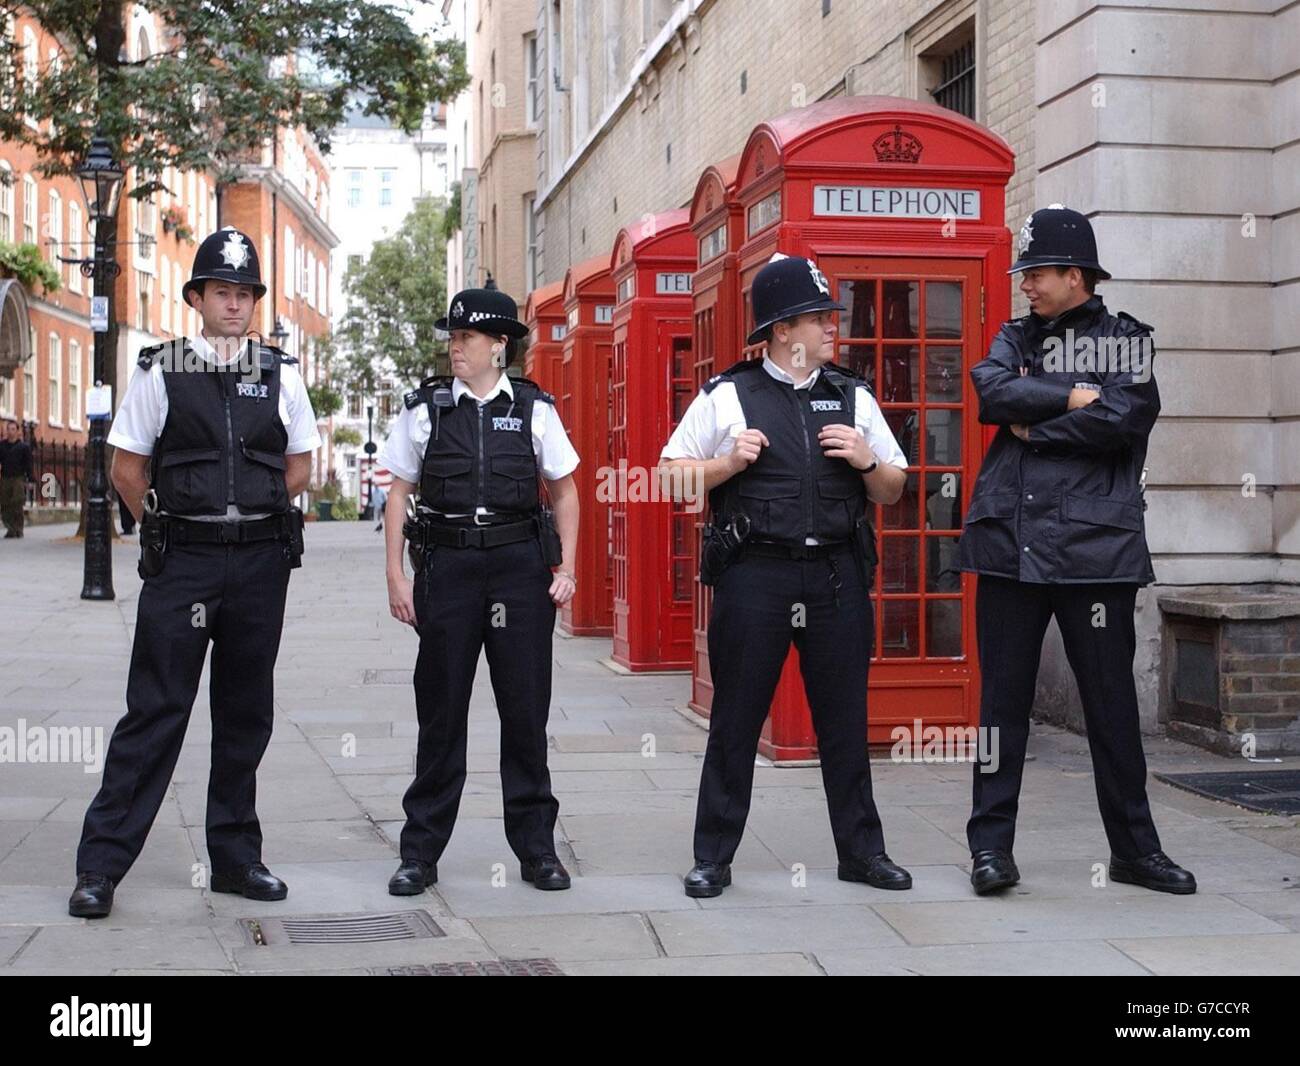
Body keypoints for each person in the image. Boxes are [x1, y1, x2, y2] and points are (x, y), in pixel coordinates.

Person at [68, 226, 319, 919]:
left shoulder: (281, 374)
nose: (234, 304)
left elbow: (299, 465)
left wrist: (253, 511)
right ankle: (101, 867)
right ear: (198, 298)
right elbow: (125, 466)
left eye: (244, 293)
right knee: (154, 712)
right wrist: (166, 518)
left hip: (261, 563)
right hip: (185, 563)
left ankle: (237, 858)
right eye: (222, 292)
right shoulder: (162, 369)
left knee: (246, 714)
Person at [957, 204, 1195, 896]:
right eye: (1022, 273)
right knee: (1001, 707)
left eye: (1035, 273)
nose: (1024, 284)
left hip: (1095, 551)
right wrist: (1071, 399)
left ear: (1075, 274)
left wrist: (1042, 425)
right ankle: (990, 850)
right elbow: (991, 393)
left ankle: (1135, 851)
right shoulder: (1011, 336)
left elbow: (1125, 416)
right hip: (1009, 544)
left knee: (1111, 706)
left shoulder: (1126, 341)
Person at [660, 254, 912, 898]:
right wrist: (725, 464)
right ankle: (712, 857)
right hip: (755, 576)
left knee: (845, 724)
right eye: (818, 318)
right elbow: (669, 477)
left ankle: (862, 854)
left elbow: (893, 488)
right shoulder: (728, 395)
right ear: (780, 330)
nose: (832, 328)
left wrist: (864, 460)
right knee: (736, 721)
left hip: (834, 576)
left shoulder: (852, 395)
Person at [381, 286, 580, 893]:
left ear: (499, 346)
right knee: (440, 713)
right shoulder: (427, 410)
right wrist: (396, 574)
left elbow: (567, 490)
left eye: (465, 337)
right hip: (449, 568)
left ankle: (537, 851)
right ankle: (420, 852)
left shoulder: (534, 410)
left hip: (520, 569)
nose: (454, 347)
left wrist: (567, 568)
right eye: (452, 337)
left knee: (525, 712)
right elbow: (397, 494)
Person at [0, 419, 33, 538]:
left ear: (18, 431)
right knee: (4, 504)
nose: (10, 432)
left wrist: (30, 480)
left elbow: (29, 464)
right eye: (8, 429)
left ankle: (18, 529)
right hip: (5, 478)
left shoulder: (24, 447)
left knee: (17, 503)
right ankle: (10, 528)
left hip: (18, 478)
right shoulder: (1, 446)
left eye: (13, 429)